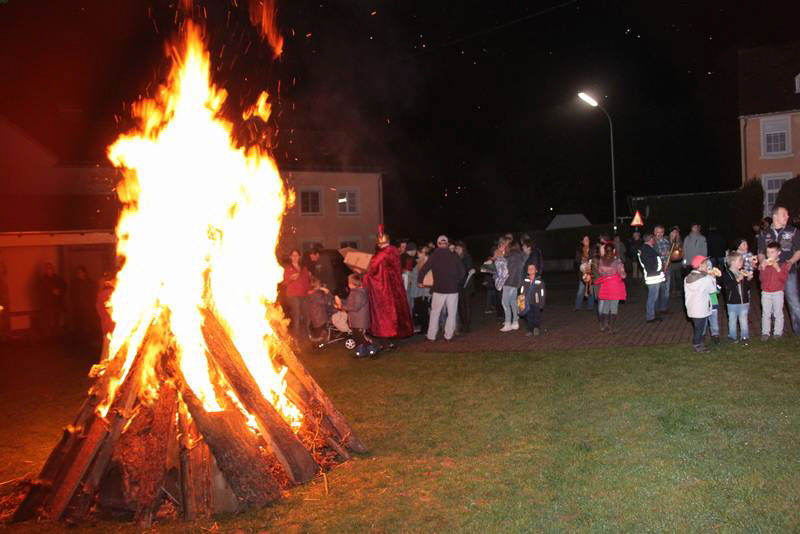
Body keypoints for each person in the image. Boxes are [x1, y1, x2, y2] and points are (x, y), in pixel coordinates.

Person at [363, 227, 413, 345]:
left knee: (386, 312)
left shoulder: (382, 254)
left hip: (386, 287)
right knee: (396, 309)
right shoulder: (394, 250)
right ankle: (395, 335)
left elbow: (371, 268)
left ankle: (387, 335)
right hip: (395, 285)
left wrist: (363, 275)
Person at [756, 206, 800, 335]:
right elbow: (760, 252)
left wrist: (791, 261)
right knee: (774, 302)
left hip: (788, 272)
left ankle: (797, 331)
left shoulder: (794, 231)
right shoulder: (764, 233)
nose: (787, 217)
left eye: (787, 214)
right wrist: (762, 261)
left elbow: (798, 250)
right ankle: (776, 332)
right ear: (775, 216)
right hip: (771, 274)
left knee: (793, 301)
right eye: (784, 214)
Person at [417, 235, 465, 341]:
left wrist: (420, 281)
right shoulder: (454, 255)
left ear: (438, 244)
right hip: (452, 289)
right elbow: (462, 271)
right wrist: (457, 281)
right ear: (447, 244)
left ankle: (431, 336)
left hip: (438, 289)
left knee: (435, 313)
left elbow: (424, 269)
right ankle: (448, 336)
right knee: (452, 313)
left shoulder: (434, 256)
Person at [335, 274, 375, 358]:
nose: (348, 284)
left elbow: (355, 307)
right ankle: (361, 352)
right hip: (355, 320)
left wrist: (341, 307)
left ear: (352, 283)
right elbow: (350, 303)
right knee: (357, 337)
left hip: (360, 321)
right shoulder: (354, 292)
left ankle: (373, 349)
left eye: (349, 282)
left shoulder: (359, 293)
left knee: (362, 337)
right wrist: (341, 301)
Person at [684, 255, 719, 353]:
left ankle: (699, 343)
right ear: (700, 266)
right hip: (701, 308)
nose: (707, 265)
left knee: (698, 327)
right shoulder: (706, 278)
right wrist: (713, 278)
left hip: (692, 308)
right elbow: (713, 290)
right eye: (705, 264)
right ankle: (697, 345)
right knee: (699, 328)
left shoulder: (688, 278)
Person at [759, 242, 792, 341]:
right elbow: (761, 279)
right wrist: (763, 268)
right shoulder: (765, 264)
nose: (769, 255)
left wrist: (777, 268)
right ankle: (765, 332)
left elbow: (783, 279)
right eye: (768, 252)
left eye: (772, 252)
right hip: (766, 292)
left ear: (778, 253)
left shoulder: (783, 264)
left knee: (778, 313)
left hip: (778, 292)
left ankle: (778, 333)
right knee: (766, 313)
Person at [594, 242, 627, 333]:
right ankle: (612, 327)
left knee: (606, 306)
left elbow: (600, 272)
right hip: (615, 285)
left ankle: (605, 325)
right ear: (614, 250)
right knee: (614, 306)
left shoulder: (601, 261)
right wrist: (623, 274)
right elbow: (623, 275)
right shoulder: (617, 261)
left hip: (606, 285)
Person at [720, 252, 752, 345]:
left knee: (743, 320)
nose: (742, 262)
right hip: (732, 302)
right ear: (733, 262)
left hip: (744, 302)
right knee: (732, 320)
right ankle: (732, 337)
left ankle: (745, 337)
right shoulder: (726, 274)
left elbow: (747, 288)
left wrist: (748, 279)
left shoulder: (742, 272)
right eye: (740, 260)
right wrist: (737, 279)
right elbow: (727, 287)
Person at [282, 249, 310, 338]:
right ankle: (295, 338)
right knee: (296, 315)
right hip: (292, 295)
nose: (295, 257)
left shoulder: (304, 268)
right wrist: (291, 279)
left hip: (303, 294)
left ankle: (306, 337)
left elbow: (307, 281)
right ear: (290, 257)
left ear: (299, 257)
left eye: (296, 255)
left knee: (306, 316)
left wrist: (308, 290)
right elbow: (283, 283)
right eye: (293, 255)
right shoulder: (287, 268)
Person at [638, 233, 665, 323]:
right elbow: (652, 264)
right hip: (653, 276)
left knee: (654, 296)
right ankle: (650, 316)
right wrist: (659, 270)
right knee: (652, 297)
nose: (655, 240)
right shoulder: (647, 250)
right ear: (650, 239)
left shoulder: (646, 249)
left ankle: (653, 314)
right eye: (653, 239)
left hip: (653, 276)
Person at [37, 262, 67, 337]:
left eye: (50, 268)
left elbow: (64, 286)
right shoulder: (42, 280)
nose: (49, 270)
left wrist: (59, 291)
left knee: (56, 320)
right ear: (45, 270)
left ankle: (56, 336)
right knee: (47, 321)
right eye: (47, 268)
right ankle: (48, 337)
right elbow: (40, 291)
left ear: (53, 269)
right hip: (47, 304)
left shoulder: (58, 279)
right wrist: (51, 292)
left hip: (56, 303)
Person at [500, 242, 525, 331]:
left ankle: (508, 323)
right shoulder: (520, 256)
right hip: (516, 283)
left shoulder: (512, 256)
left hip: (509, 282)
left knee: (505, 302)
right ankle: (515, 322)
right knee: (513, 302)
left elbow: (506, 269)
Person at [70, 266, 98, 343]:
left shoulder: (89, 282)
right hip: (79, 307)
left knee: (89, 322)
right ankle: (80, 338)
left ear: (84, 273)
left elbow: (94, 292)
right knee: (80, 322)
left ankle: (89, 337)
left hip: (89, 306)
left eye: (80, 272)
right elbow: (72, 295)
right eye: (77, 272)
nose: (78, 273)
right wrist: (74, 304)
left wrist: (92, 302)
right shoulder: (74, 283)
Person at [408, 246, 432, 333]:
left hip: (423, 292)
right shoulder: (419, 262)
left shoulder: (426, 262)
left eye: (419, 253)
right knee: (420, 309)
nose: (418, 254)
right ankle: (424, 327)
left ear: (424, 253)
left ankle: (425, 328)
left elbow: (425, 277)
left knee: (423, 310)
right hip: (418, 291)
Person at [454, 241, 474, 333]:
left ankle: (467, 325)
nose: (457, 250)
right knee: (460, 305)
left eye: (458, 248)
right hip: (458, 284)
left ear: (463, 249)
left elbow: (469, 269)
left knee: (467, 304)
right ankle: (463, 323)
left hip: (466, 284)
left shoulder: (467, 257)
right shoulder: (454, 257)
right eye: (456, 248)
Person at [518, 263, 544, 336]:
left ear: (536, 270)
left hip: (536, 302)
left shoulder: (539, 281)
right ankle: (529, 329)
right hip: (527, 302)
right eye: (529, 268)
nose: (531, 269)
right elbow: (521, 292)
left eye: (532, 268)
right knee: (529, 317)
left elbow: (542, 293)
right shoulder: (525, 281)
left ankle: (536, 328)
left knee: (536, 316)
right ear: (527, 271)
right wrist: (521, 304)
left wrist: (541, 303)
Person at [306, 277, 333, 341]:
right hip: (320, 318)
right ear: (316, 285)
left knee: (319, 335)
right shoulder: (316, 294)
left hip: (316, 318)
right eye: (319, 283)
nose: (320, 284)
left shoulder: (311, 293)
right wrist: (327, 293)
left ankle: (318, 339)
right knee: (319, 337)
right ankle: (318, 339)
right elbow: (326, 302)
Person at [653, 225, 672, 314]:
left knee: (666, 290)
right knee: (656, 290)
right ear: (654, 232)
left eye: (661, 232)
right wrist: (661, 254)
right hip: (657, 270)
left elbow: (671, 254)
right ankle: (656, 310)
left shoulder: (666, 241)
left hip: (667, 268)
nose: (660, 234)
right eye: (658, 232)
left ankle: (663, 308)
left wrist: (670, 254)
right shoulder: (652, 242)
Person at [574, 235, 595, 311]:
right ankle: (577, 306)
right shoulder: (579, 250)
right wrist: (581, 261)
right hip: (582, 273)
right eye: (585, 239)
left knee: (591, 290)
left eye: (588, 239)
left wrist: (591, 263)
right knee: (580, 290)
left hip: (591, 272)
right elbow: (576, 261)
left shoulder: (593, 249)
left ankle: (590, 306)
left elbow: (595, 259)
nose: (587, 240)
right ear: (582, 241)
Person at [667, 227, 684, 296]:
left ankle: (679, 290)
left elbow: (682, 251)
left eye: (676, 232)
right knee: (671, 277)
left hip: (678, 262)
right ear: (671, 233)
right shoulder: (667, 241)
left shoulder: (679, 241)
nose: (675, 233)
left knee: (678, 276)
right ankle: (673, 290)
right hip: (670, 262)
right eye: (673, 232)